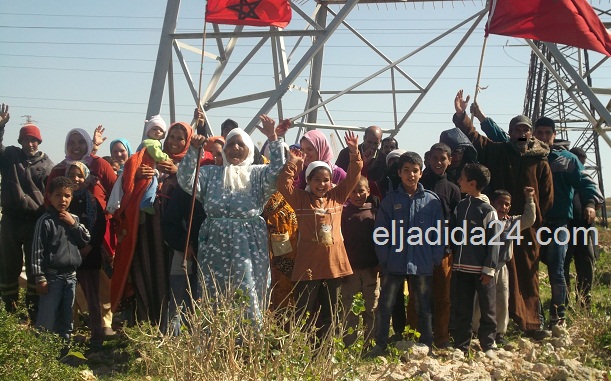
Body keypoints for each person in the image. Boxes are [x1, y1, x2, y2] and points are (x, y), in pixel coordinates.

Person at [452, 90, 553, 336]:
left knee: (528, 275)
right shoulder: (497, 151)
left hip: (526, 228)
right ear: (510, 133)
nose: (521, 134)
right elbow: (474, 136)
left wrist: (535, 221)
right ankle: (493, 328)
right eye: (517, 130)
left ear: (530, 134)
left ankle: (530, 323)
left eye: (525, 130)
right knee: (495, 278)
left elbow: (548, 197)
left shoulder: (540, 161)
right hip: (497, 227)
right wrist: (462, 115)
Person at [177, 115, 286, 327]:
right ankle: (216, 344)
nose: (235, 148)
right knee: (214, 291)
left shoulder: (258, 175)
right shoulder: (210, 174)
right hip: (215, 244)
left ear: (250, 150)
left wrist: (273, 138)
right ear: (224, 150)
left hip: (249, 245)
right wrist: (193, 150)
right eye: (230, 144)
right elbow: (185, 180)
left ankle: (249, 344)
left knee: (248, 289)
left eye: (241, 144)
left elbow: (279, 171)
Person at [277, 131, 362, 342]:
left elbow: (354, 174)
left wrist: (354, 152)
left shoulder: (337, 196)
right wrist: (292, 163)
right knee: (303, 313)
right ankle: (301, 353)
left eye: (326, 180)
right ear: (308, 180)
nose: (322, 184)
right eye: (317, 180)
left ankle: (324, 354)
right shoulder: (301, 199)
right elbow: (282, 186)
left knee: (330, 313)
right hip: (308, 267)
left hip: (333, 266)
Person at [110, 121, 193, 329]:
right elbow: (127, 180)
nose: (174, 142)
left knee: (169, 277)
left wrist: (177, 171)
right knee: (145, 271)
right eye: (171, 136)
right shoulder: (149, 156)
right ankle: (145, 325)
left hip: (173, 233)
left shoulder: (189, 164)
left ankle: (169, 327)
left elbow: (194, 189)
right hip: (146, 228)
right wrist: (137, 176)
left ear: (187, 142)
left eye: (180, 138)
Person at [366, 152, 445, 357]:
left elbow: (439, 233)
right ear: (399, 173)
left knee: (424, 306)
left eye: (415, 171)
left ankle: (427, 343)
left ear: (421, 173)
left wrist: (435, 258)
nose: (411, 175)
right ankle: (380, 345)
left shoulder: (432, 201)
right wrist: (385, 259)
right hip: (395, 263)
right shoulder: (390, 201)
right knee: (386, 304)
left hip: (422, 263)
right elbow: (380, 234)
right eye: (406, 171)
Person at [532, 117, 602, 328]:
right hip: (531, 223)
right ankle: (533, 317)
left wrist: (590, 203)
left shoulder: (566, 160)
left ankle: (558, 316)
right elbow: (500, 139)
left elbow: (586, 182)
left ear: (554, 135)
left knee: (557, 268)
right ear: (533, 134)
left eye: (547, 133)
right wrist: (479, 117)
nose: (543, 137)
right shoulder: (526, 157)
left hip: (558, 223)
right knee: (529, 268)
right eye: (540, 133)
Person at [0, 104, 55, 320]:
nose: (30, 143)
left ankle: (33, 312)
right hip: (11, 220)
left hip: (35, 221)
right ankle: (10, 312)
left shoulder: (48, 165)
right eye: (26, 139)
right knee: (7, 265)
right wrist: (1, 127)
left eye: (34, 140)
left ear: (39, 142)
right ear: (20, 141)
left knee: (35, 266)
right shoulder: (10, 156)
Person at [472, 187, 536, 346]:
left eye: (507, 204)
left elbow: (529, 219)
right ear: (492, 203)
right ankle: (475, 329)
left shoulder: (510, 223)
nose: (504, 207)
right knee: (480, 301)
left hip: (502, 267)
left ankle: (499, 332)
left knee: (502, 299)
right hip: (484, 266)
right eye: (500, 203)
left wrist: (529, 198)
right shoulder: (484, 220)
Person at [31, 176, 91, 340]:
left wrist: (73, 224)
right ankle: (42, 356)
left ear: (72, 197)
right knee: (47, 318)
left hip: (70, 277)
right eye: (58, 195)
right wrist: (39, 277)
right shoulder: (45, 221)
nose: (62, 200)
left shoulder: (74, 219)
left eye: (67, 196)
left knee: (67, 318)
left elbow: (85, 239)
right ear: (49, 196)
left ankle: (63, 353)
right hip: (52, 277)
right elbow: (37, 250)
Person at [452, 163, 500, 356]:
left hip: (482, 271)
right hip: (461, 268)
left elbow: (495, 241)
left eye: (462, 178)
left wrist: (489, 268)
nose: (458, 181)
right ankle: (461, 345)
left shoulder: (488, 211)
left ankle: (488, 344)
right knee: (463, 308)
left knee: (487, 307)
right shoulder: (460, 207)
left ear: (472, 184)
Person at [418, 142, 461, 348]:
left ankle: (441, 336)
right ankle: (416, 334)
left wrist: (452, 247)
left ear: (449, 161)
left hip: (443, 250)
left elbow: (456, 222)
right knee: (418, 295)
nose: (438, 162)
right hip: (418, 248)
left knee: (443, 296)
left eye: (443, 158)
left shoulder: (453, 189)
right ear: (428, 159)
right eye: (434, 158)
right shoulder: (419, 184)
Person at [66, 162, 107, 348]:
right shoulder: (64, 198)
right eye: (72, 175)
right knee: (69, 297)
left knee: (92, 298)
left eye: (79, 175)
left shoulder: (92, 201)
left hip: (89, 257)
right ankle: (68, 334)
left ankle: (97, 336)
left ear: (86, 177)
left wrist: (88, 247)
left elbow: (99, 226)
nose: (76, 179)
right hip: (66, 257)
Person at [160, 186, 205, 336]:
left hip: (211, 257)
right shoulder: (184, 190)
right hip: (185, 254)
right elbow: (170, 224)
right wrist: (184, 244)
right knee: (178, 302)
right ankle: (175, 344)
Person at [340, 175, 379, 347]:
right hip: (350, 271)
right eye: (353, 191)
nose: (357, 195)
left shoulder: (375, 213)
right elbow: (340, 243)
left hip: (371, 269)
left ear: (368, 192)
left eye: (361, 191)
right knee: (349, 308)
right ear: (348, 193)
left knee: (371, 308)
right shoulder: (343, 214)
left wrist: (379, 265)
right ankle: (349, 344)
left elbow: (381, 241)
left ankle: (370, 343)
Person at [564, 147, 599, 309]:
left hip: (583, 229)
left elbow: (591, 196)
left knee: (585, 264)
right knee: (562, 265)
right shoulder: (563, 177)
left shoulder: (585, 181)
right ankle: (564, 303)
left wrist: (591, 205)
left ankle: (584, 302)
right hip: (564, 228)